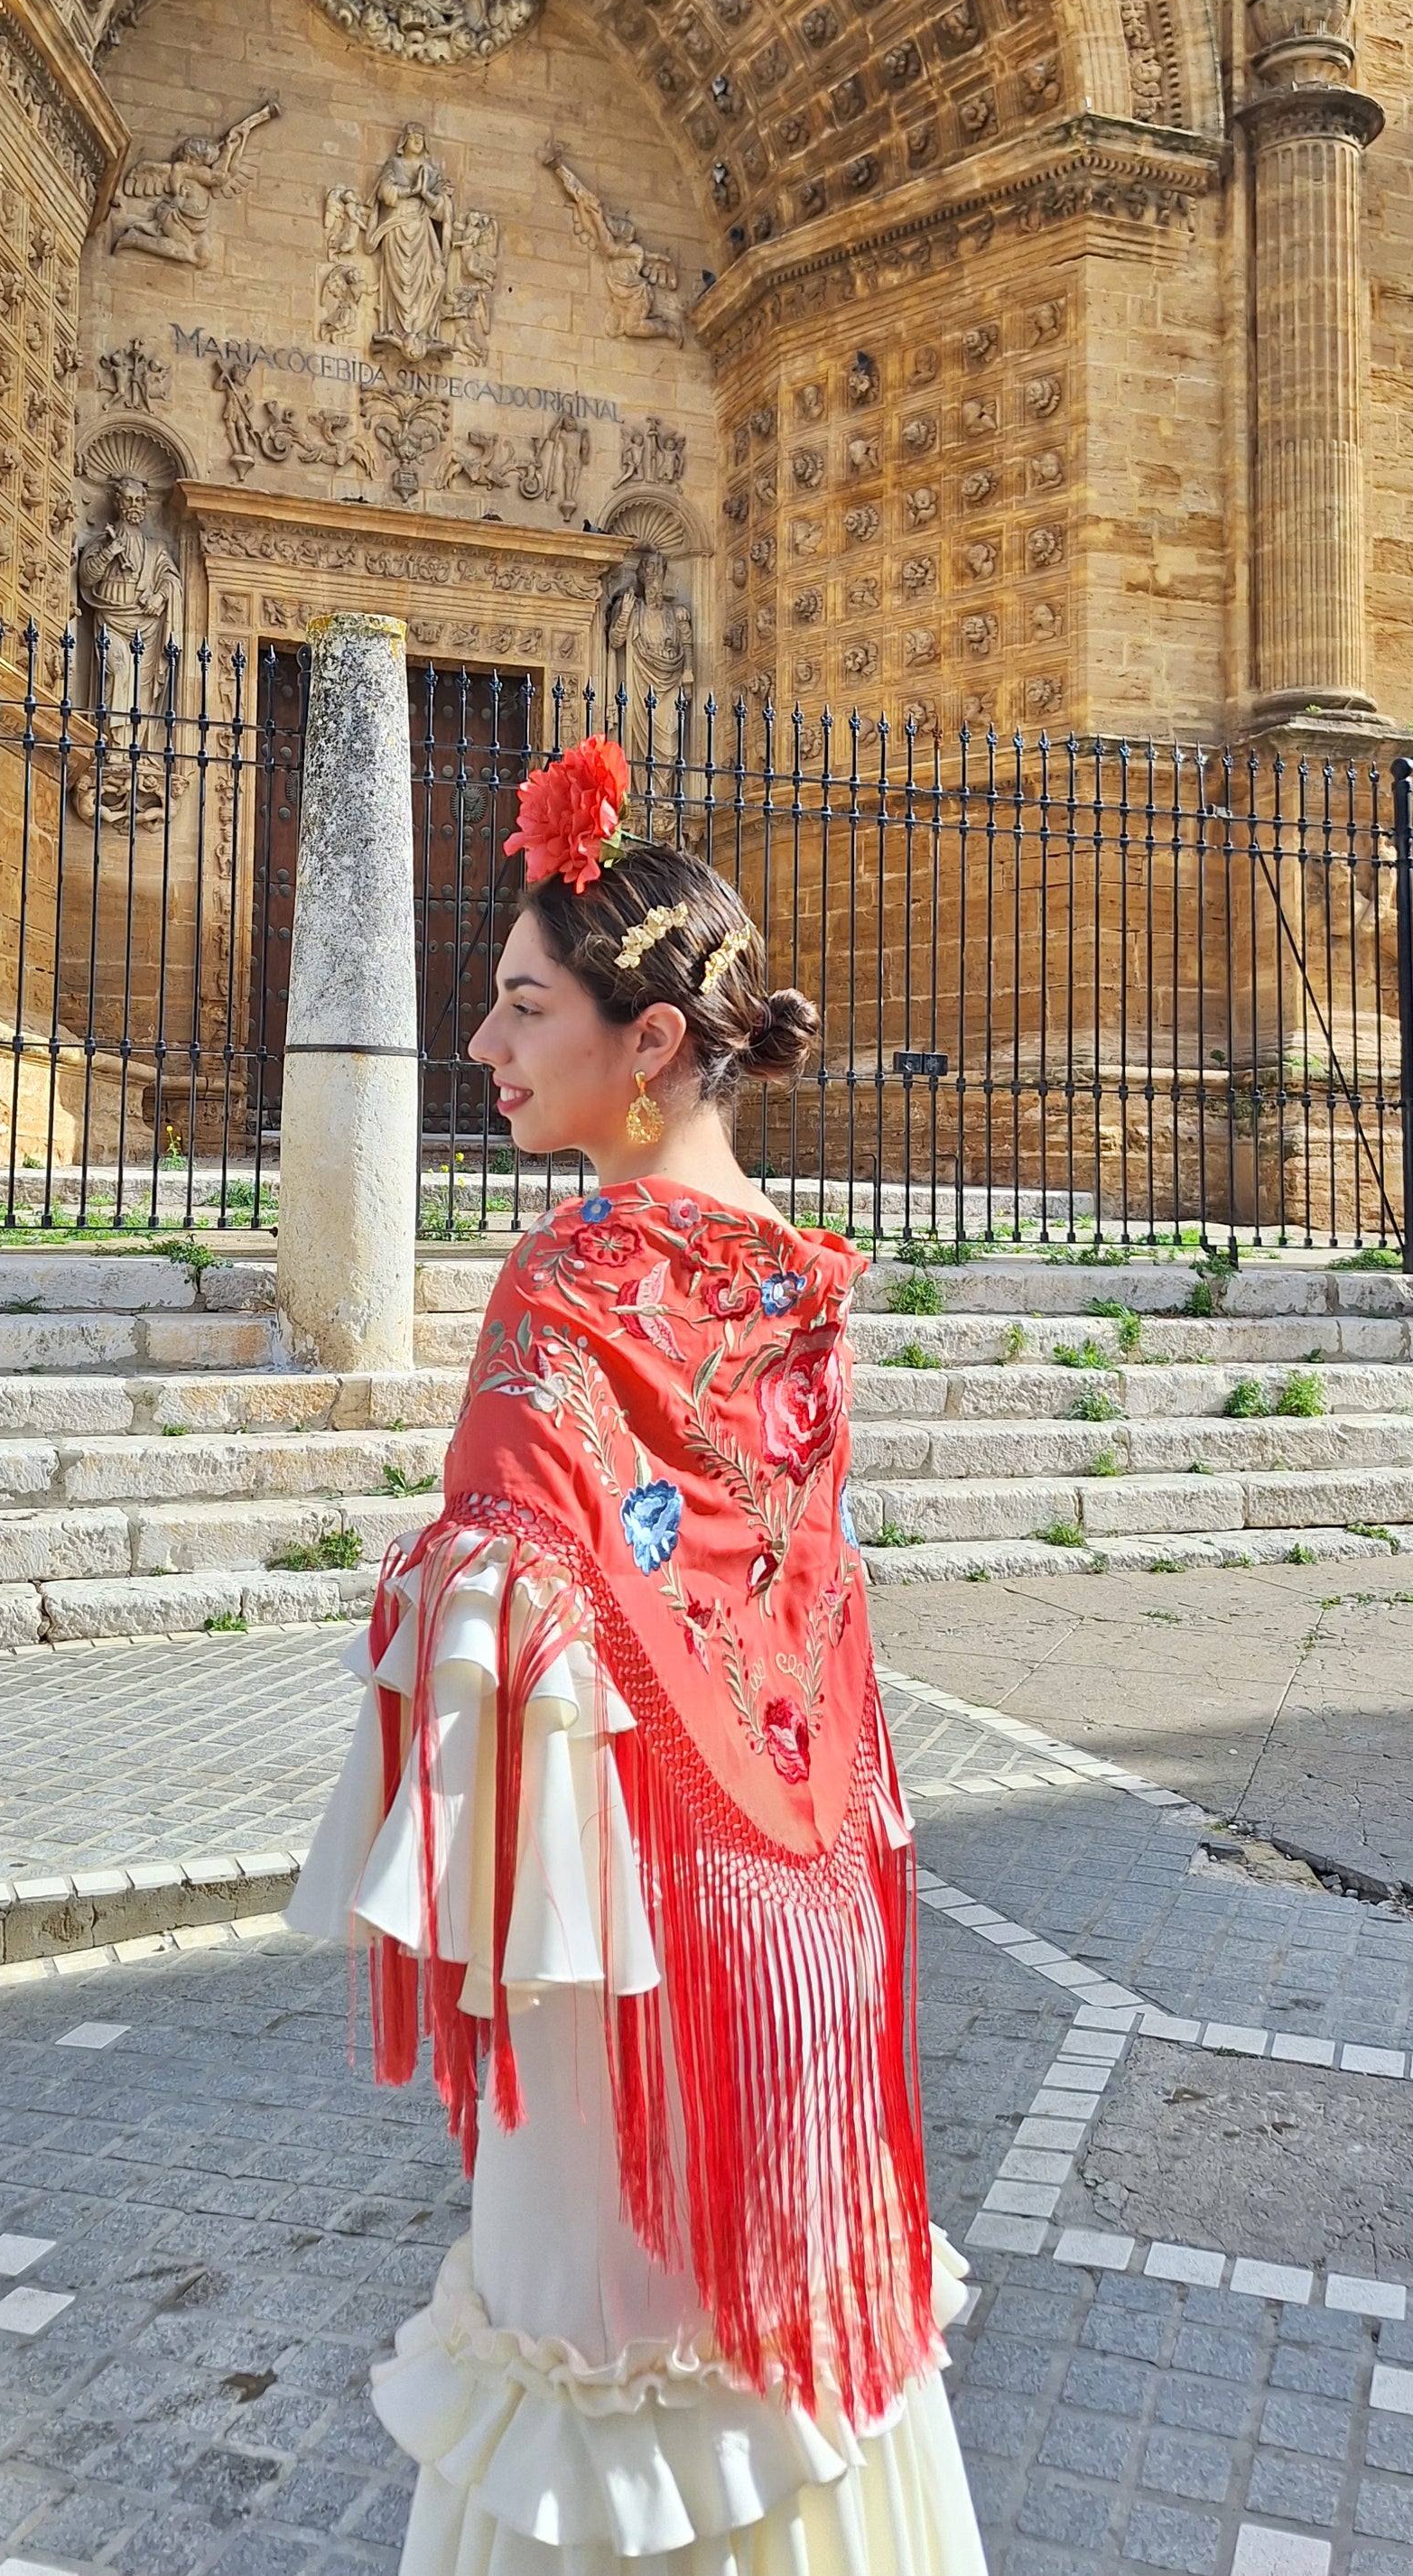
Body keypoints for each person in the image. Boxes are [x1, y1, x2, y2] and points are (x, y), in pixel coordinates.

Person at [291, 733, 987, 2576]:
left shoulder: (562, 1289)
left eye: (523, 1006)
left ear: (649, 1042)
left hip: (619, 1947)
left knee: (601, 2362)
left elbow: (493, 1655)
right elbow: (803, 1619)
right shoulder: (808, 1288)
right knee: (789, 2342)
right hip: (805, 1911)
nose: (485, 1047)